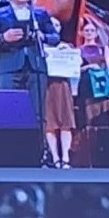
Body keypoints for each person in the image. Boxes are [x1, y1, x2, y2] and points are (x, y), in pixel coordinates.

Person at [37, 17, 82, 168]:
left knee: (65, 122)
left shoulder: (67, 47)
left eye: (57, 24)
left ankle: (66, 158)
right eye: (51, 24)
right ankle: (55, 158)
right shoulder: (39, 48)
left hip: (62, 87)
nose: (54, 27)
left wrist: (69, 53)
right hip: (46, 86)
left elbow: (77, 65)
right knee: (50, 123)